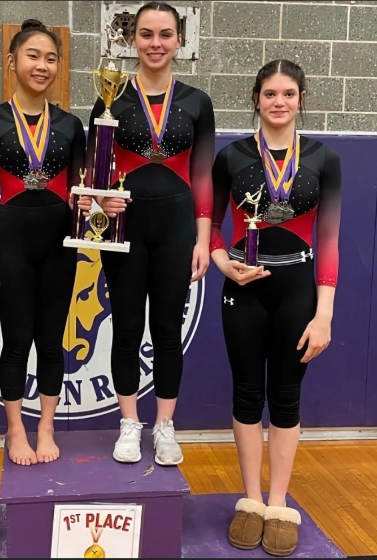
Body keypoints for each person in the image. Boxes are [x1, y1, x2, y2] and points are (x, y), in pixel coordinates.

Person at [210, 60, 341, 556]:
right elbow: (213, 226)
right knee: (246, 394)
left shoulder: (324, 158)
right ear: (256, 98)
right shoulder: (233, 156)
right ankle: (251, 499)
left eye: (288, 93)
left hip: (297, 291)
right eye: (269, 93)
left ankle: (280, 500)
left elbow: (328, 239)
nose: (279, 101)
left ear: (301, 97)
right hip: (244, 288)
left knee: (285, 396)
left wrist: (323, 312)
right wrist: (224, 265)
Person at [86, 1, 215, 466]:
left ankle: (164, 425)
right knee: (125, 326)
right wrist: (101, 200)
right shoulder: (110, 97)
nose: (155, 43)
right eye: (146, 34)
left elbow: (202, 177)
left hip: (178, 228)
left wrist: (202, 240)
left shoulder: (196, 102)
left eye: (165, 34)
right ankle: (128, 423)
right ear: (131, 39)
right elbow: (93, 172)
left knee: (166, 328)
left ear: (179, 39)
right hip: (126, 229)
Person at [0, 19, 88, 466]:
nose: (42, 65)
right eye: (33, 56)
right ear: (12, 61)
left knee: (52, 340)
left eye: (51, 58)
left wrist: (101, 215)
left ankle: (46, 426)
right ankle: (15, 429)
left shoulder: (71, 124)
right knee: (17, 340)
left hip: (61, 240)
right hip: (11, 240)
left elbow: (80, 192)